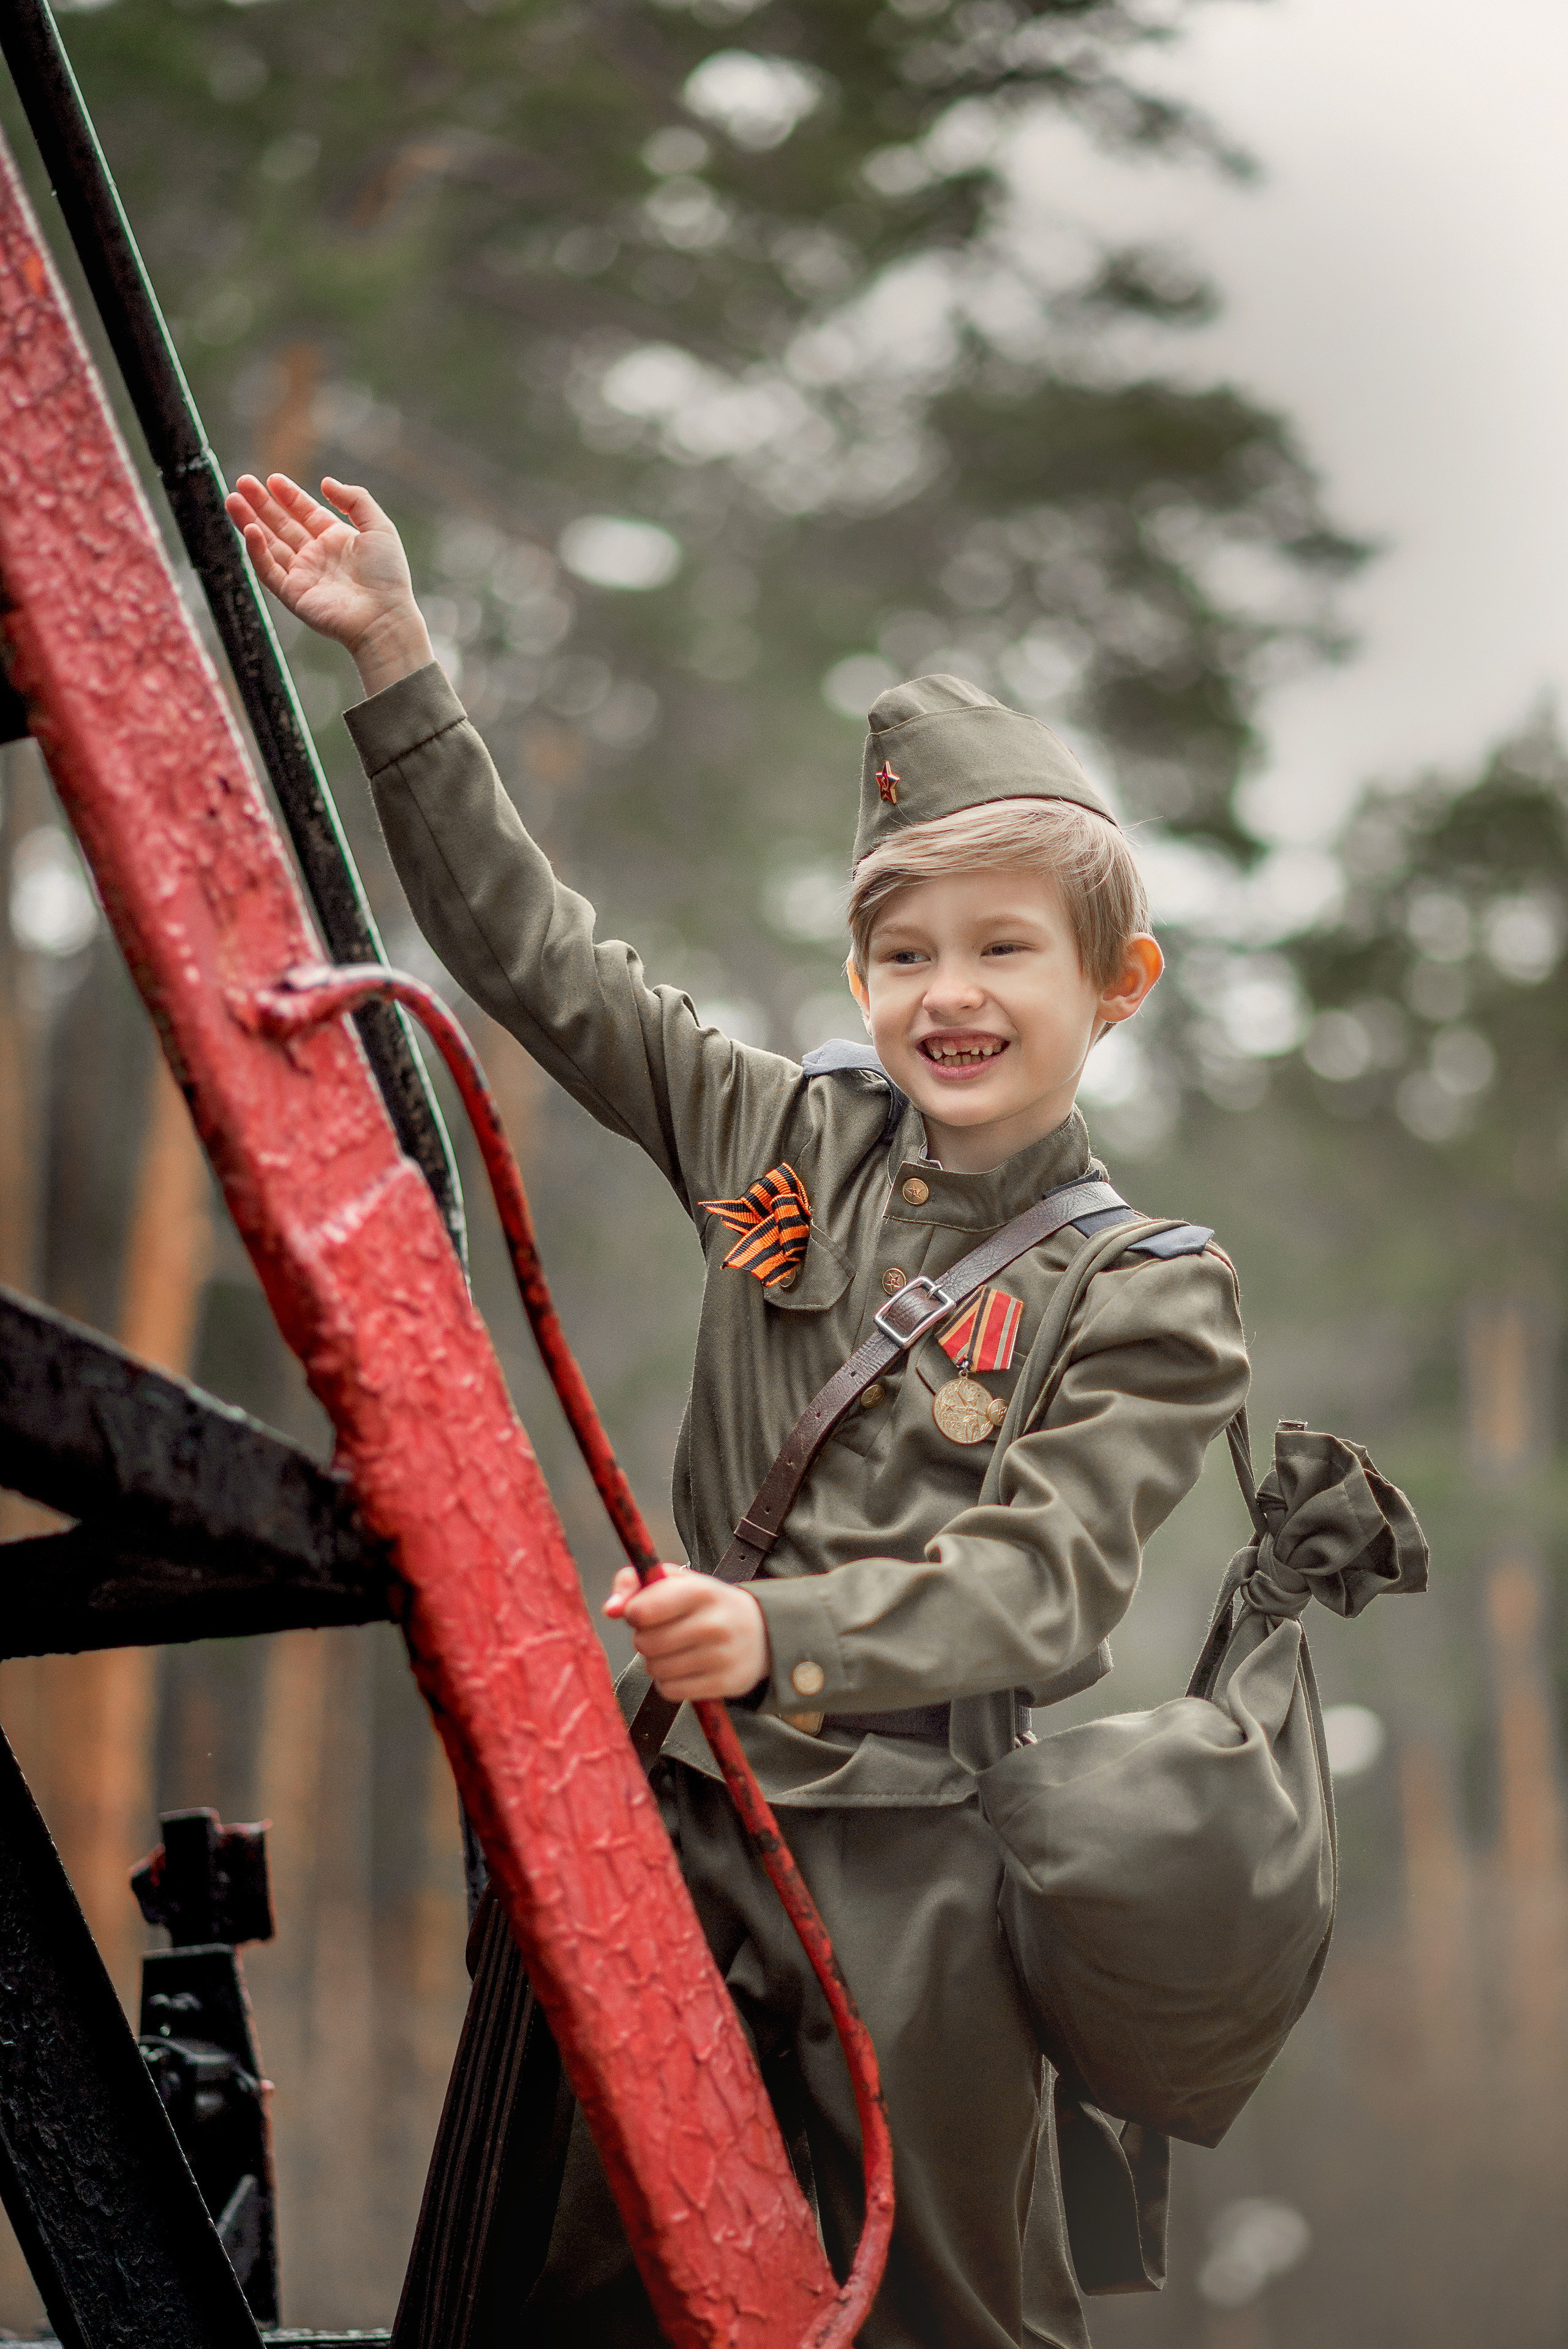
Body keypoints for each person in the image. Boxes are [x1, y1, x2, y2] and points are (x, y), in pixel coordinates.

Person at [227, 469, 1251, 2349]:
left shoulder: (1148, 1288)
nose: (948, 994)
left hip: (918, 1868)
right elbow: (540, 962)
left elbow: (1044, 1584)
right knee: (553, 2281)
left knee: (945, 2312)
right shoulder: (777, 1134)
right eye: (906, 951)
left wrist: (779, 1631)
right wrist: (395, 659)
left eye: (1004, 946)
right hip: (669, 1821)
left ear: (1118, 983)